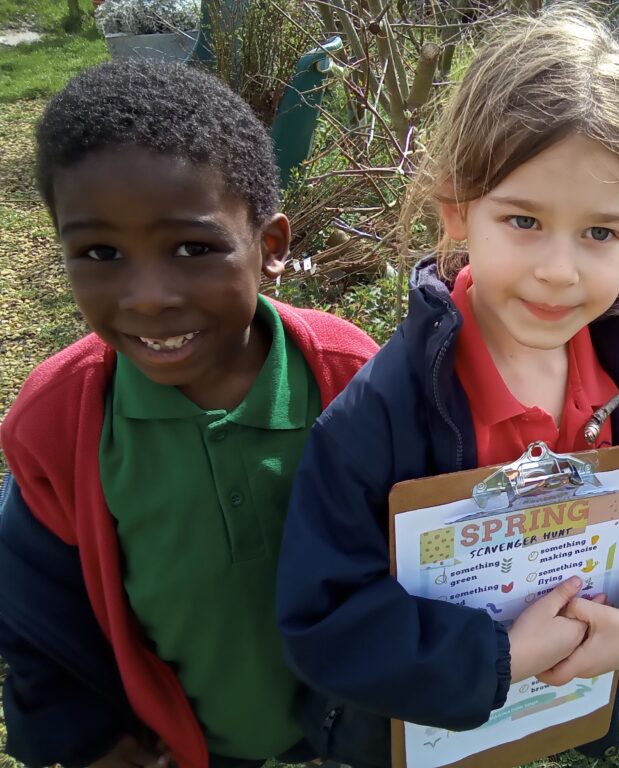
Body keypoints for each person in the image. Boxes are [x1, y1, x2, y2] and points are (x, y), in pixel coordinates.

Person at [276, 8, 619, 767]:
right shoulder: (383, 413)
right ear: (458, 209)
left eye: (599, 232)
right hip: (399, 735)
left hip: (543, 718)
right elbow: (325, 617)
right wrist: (496, 658)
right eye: (524, 220)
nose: (560, 269)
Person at [0, 59, 378, 768]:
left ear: (269, 248)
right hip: (191, 739)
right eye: (101, 252)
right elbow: (34, 610)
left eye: (193, 248)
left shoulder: (349, 378)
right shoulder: (61, 423)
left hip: (349, 721)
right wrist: (92, 738)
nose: (148, 296)